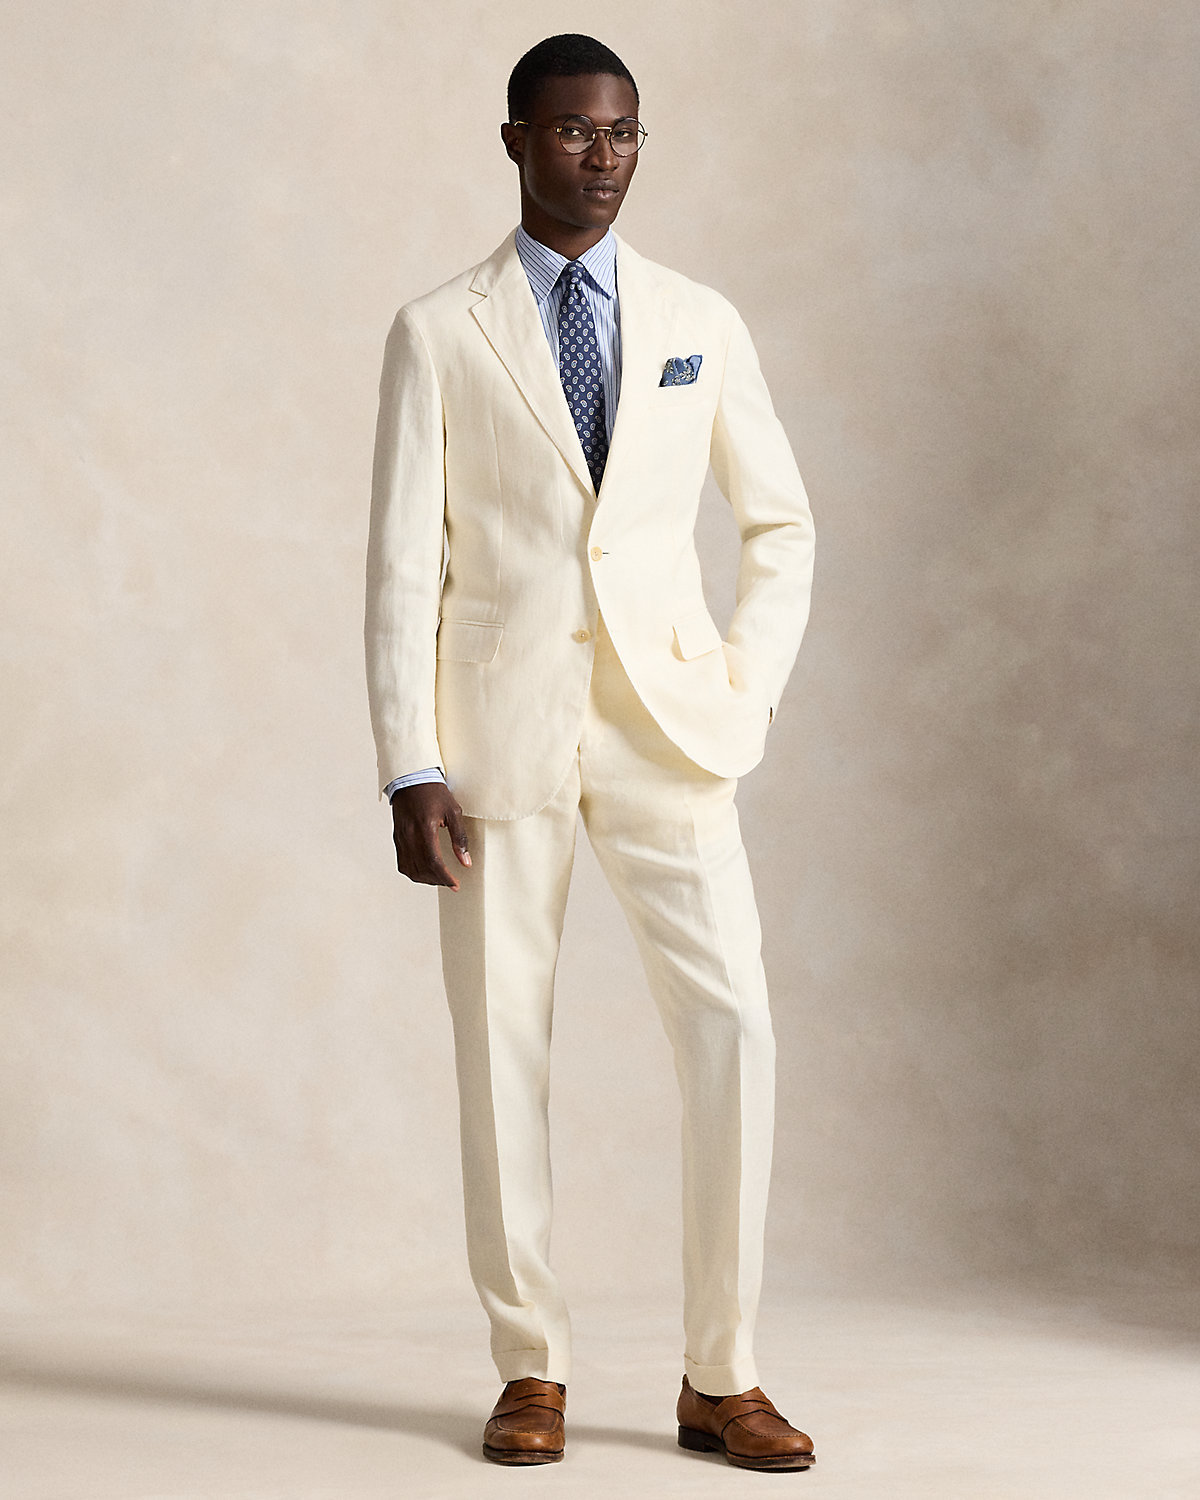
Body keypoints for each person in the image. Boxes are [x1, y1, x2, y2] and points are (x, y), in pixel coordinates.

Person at [365, 33, 817, 1472]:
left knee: (734, 1029)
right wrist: (409, 764)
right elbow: (402, 569)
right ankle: (531, 1367)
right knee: (501, 1047)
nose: (602, 157)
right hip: (497, 743)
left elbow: (780, 524)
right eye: (571, 132)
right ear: (516, 141)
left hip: (670, 734)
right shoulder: (439, 331)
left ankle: (721, 1375)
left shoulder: (698, 318)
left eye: (623, 133)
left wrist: (742, 692)